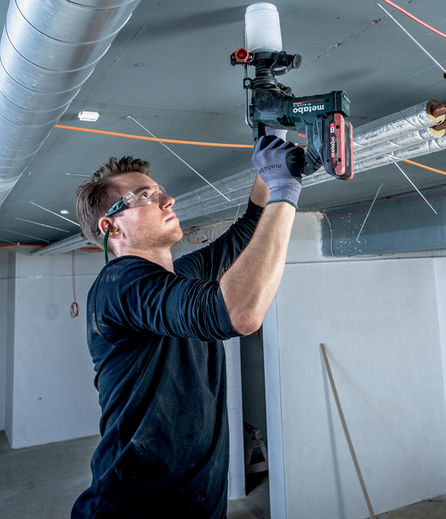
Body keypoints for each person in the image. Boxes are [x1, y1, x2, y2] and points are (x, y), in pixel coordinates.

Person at [70, 134, 303, 518]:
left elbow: (248, 231)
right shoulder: (119, 286)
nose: (167, 200)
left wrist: (271, 156)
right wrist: (284, 191)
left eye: (159, 191)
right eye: (145, 196)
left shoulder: (177, 276)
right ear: (111, 227)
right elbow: (238, 313)